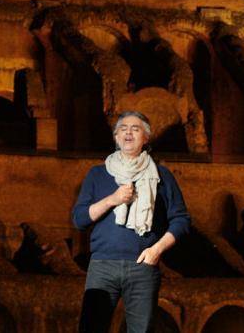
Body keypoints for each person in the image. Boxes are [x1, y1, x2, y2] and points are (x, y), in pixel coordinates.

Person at [72, 111, 191, 333]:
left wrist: (156, 251)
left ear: (146, 138)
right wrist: (112, 200)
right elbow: (79, 219)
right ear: (116, 137)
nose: (128, 132)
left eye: (136, 129)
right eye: (123, 128)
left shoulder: (161, 176)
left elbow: (181, 220)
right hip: (102, 266)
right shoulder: (97, 174)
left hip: (142, 268)